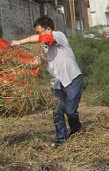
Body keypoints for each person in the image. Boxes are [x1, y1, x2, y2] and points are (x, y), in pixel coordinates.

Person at [10, 15, 83, 148]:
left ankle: (76, 130)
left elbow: (44, 38)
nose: (37, 35)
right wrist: (18, 64)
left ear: (48, 29)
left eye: (38, 32)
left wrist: (19, 42)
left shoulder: (59, 36)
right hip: (56, 82)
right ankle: (61, 139)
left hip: (72, 78)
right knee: (57, 111)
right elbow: (36, 63)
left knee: (70, 111)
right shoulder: (43, 47)